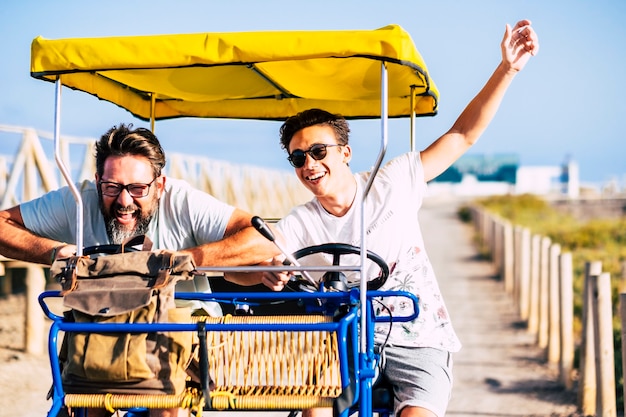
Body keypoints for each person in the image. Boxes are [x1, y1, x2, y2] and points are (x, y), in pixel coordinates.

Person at [262, 20, 539, 417]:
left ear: (345, 152)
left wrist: (507, 69)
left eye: (318, 151)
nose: (310, 164)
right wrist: (267, 271)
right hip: (344, 340)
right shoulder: (298, 223)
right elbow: (252, 265)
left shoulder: (393, 181)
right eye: (298, 158)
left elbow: (462, 136)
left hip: (418, 334)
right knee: (316, 410)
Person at [0, 123, 280, 417]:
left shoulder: (183, 202)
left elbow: (265, 238)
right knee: (86, 400)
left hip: (180, 324)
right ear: (97, 182)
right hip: (103, 324)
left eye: (137, 189)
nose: (124, 201)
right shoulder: (78, 200)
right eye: (112, 187)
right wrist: (56, 251)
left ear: (160, 186)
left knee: (167, 401)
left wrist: (187, 258)